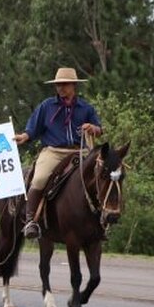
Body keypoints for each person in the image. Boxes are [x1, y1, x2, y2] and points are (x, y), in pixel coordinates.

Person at [14, 67, 103, 239]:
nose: (60, 88)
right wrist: (24, 136)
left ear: (73, 86)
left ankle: (102, 220)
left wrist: (93, 128)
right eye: (58, 85)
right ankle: (31, 220)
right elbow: (33, 128)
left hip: (81, 151)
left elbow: (99, 129)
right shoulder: (47, 106)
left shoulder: (86, 108)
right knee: (39, 178)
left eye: (64, 84)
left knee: (102, 176)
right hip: (54, 152)